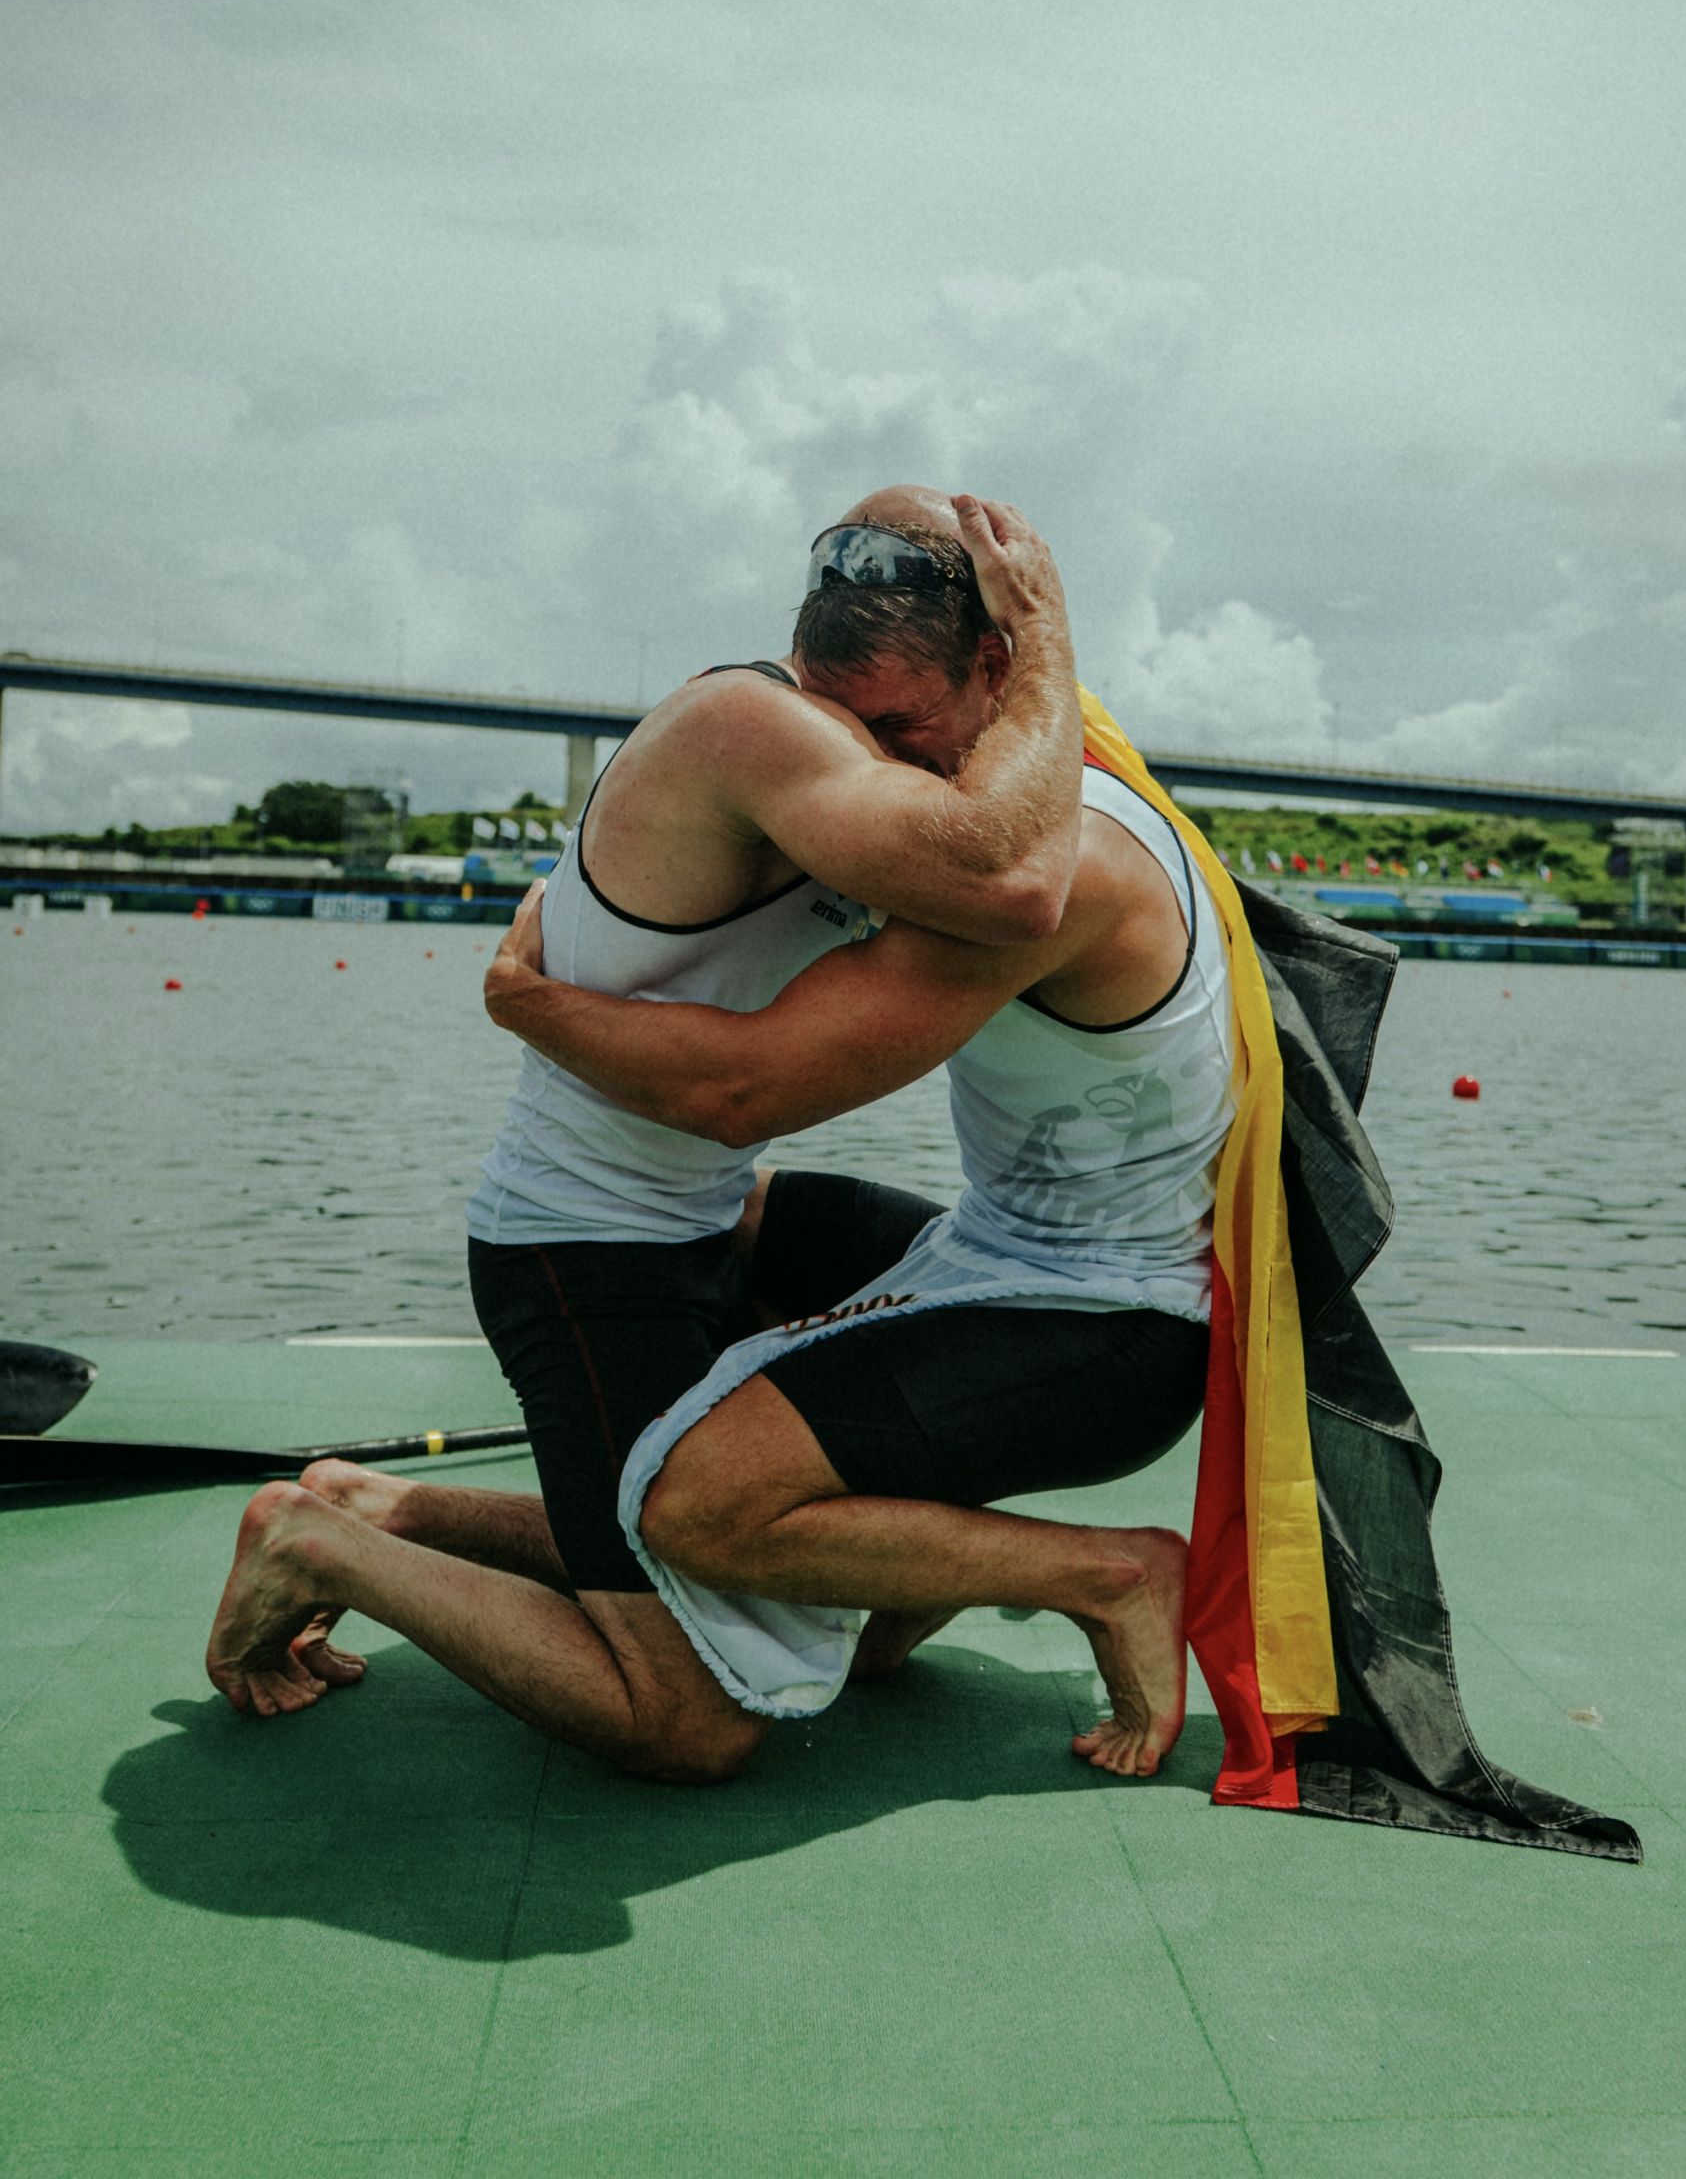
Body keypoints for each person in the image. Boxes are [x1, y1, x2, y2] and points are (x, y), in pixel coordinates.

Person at [205, 491, 1222, 1780]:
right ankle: (325, 1540)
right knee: (692, 1716)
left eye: (902, 727)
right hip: (586, 1248)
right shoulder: (768, 730)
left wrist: (542, 993)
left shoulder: (968, 799)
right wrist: (533, 1004)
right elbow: (763, 1067)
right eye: (852, 721)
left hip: (713, 1216)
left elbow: (1006, 882)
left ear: (996, 665)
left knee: (793, 1588)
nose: (881, 762)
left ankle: (379, 1507)